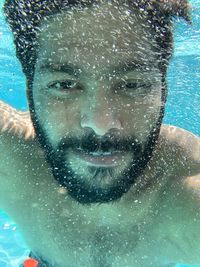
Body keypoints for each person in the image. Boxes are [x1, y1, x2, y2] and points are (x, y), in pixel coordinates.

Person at [1, 0, 200, 266]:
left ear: (163, 90)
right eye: (64, 84)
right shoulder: (9, 149)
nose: (101, 124)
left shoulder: (188, 198)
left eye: (132, 84)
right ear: (30, 85)